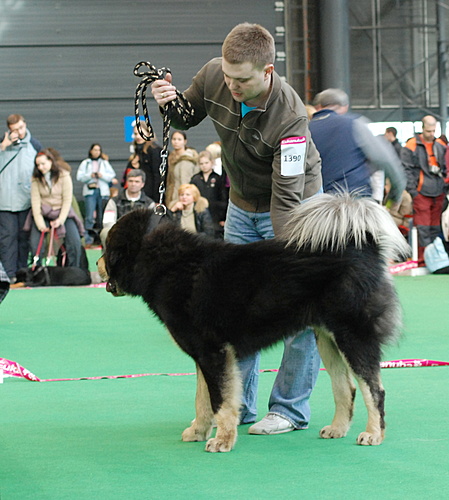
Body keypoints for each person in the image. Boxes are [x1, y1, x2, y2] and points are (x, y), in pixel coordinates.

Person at [152, 23, 322, 435]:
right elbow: (186, 116)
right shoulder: (215, 74)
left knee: (298, 310)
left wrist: (287, 263)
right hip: (243, 206)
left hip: (295, 207)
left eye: (241, 79)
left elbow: (286, 198)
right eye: (227, 76)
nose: (230, 85)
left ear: (267, 71)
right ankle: (237, 406)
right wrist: (168, 101)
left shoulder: (291, 117)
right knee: (231, 308)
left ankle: (289, 409)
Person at [310, 88, 405, 206]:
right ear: (345, 107)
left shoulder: (305, 130)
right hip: (356, 204)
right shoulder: (354, 124)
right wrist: (394, 196)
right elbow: (386, 160)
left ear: (318, 107)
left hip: (319, 207)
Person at [0, 114, 42, 281]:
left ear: (25, 124)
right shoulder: (3, 144)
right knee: (7, 238)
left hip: (26, 201)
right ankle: (8, 275)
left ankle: (22, 273)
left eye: (20, 128)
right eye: (14, 130)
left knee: (24, 239)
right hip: (4, 202)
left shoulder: (35, 145)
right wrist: (3, 146)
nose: (18, 132)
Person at [401, 115, 447, 261]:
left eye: (434, 131)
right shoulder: (411, 145)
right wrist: (413, 191)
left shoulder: (440, 145)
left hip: (439, 192)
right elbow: (406, 169)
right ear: (422, 129)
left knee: (435, 227)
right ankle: (423, 260)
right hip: (421, 193)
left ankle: (436, 259)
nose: (431, 134)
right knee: (422, 227)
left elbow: (445, 168)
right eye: (428, 131)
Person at [28, 149, 84, 268]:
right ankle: (36, 270)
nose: (41, 167)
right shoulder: (35, 179)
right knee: (35, 244)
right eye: (38, 165)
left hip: (63, 213)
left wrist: (60, 220)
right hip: (43, 214)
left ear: (51, 161)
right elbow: (35, 203)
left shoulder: (64, 175)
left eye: (43, 164)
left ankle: (74, 270)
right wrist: (41, 225)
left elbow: (67, 200)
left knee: (74, 242)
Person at [100, 169, 155, 248]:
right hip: (118, 234)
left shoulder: (150, 204)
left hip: (141, 237)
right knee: (105, 232)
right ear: (126, 182)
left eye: (137, 182)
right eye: (130, 181)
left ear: (142, 184)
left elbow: (151, 225)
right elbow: (108, 222)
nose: (133, 184)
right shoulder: (114, 201)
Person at [76, 143, 116, 245]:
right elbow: (79, 177)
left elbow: (111, 175)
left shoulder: (104, 163)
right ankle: (88, 239)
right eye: (94, 150)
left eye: (98, 150)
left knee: (102, 216)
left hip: (102, 192)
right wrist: (90, 175)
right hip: (90, 191)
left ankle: (101, 239)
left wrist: (102, 175)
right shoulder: (86, 163)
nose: (96, 152)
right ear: (90, 151)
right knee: (89, 216)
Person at [190, 150, 228, 238]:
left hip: (215, 214)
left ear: (212, 162)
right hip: (199, 213)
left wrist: (223, 218)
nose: (204, 166)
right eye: (201, 163)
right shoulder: (195, 179)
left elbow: (223, 198)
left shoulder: (218, 179)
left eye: (206, 163)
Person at [121, 122, 162, 203]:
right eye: (136, 134)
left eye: (141, 133)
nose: (138, 136)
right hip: (139, 194)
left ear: (148, 133)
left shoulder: (154, 150)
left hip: (151, 195)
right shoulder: (138, 151)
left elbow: (157, 176)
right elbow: (127, 175)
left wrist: (158, 199)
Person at [165, 131, 199, 206]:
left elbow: (185, 182)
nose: (176, 142)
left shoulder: (186, 160)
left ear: (185, 141)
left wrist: (183, 198)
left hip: (181, 198)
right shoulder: (171, 157)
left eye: (179, 139)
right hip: (172, 194)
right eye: (174, 139)